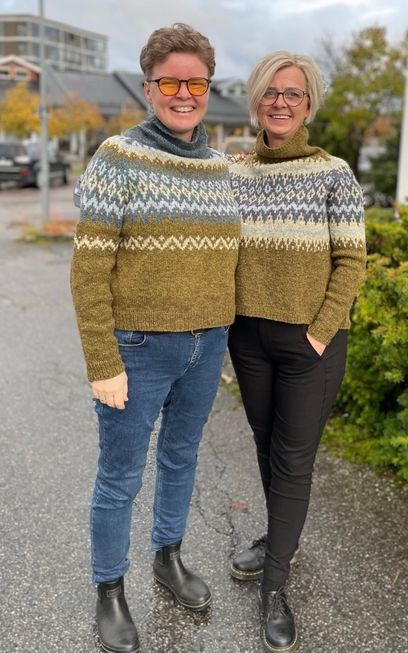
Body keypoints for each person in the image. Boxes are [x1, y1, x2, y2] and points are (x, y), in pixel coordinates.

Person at [70, 23, 240, 653]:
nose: (184, 94)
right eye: (170, 83)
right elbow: (89, 270)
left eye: (195, 82)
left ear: (208, 88)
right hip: (137, 350)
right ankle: (109, 589)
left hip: (206, 346)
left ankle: (168, 556)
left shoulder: (220, 168)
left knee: (181, 458)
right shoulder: (117, 157)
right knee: (120, 476)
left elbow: (226, 262)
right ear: (148, 88)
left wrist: (223, 338)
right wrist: (101, 360)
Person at [227, 51, 366, 653]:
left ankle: (275, 586)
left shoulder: (334, 173)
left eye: (294, 94)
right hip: (248, 340)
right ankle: (281, 540)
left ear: (309, 105)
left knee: (292, 460)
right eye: (271, 92)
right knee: (266, 447)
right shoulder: (233, 172)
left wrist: (320, 331)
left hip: (312, 342)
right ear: (256, 100)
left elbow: (351, 260)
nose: (281, 103)